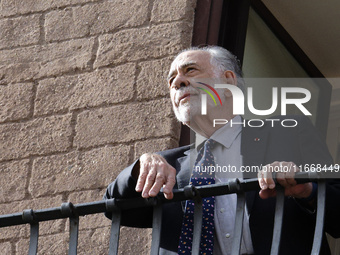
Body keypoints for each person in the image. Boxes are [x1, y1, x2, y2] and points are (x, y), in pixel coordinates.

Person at [104, 46, 340, 254]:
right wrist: (140, 167)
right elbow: (114, 208)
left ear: (228, 81)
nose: (177, 82)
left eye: (191, 70)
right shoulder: (168, 168)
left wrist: (307, 191)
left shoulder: (289, 132)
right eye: (172, 80)